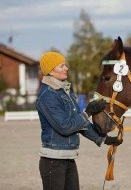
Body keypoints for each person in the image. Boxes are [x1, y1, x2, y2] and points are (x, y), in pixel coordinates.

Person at [36, 51, 122, 190]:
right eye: (61, 66)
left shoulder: (66, 91)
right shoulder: (47, 95)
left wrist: (103, 139)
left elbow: (80, 124)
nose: (66, 68)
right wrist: (88, 112)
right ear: (51, 71)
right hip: (53, 162)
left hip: (69, 159)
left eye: (65, 65)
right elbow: (65, 127)